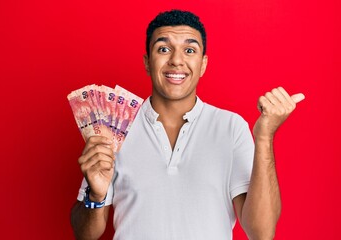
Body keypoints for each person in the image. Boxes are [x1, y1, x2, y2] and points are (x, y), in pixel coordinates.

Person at [71, 9, 305, 240]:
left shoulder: (231, 127)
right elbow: (85, 234)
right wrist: (96, 195)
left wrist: (265, 137)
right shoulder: (115, 128)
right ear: (147, 62)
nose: (176, 60)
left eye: (189, 50)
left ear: (203, 64)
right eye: (163, 49)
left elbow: (261, 233)